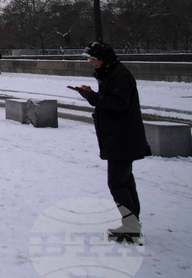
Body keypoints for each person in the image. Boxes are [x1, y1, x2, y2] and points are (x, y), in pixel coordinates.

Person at [75, 41, 150, 244]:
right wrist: (92, 96)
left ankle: (132, 227)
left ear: (103, 59)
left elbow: (118, 104)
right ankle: (133, 223)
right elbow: (111, 101)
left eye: (93, 59)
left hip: (122, 138)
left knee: (117, 183)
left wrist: (93, 97)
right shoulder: (113, 73)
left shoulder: (118, 75)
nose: (91, 63)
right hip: (121, 137)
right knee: (124, 181)